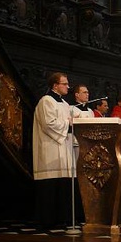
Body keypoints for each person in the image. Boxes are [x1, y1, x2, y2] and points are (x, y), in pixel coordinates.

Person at [32, 72, 80, 231]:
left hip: (64, 147)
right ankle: (48, 220)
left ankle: (62, 218)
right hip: (50, 149)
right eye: (64, 84)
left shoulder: (65, 104)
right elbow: (49, 124)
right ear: (55, 85)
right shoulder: (46, 101)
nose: (68, 87)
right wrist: (69, 123)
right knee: (51, 186)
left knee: (64, 185)